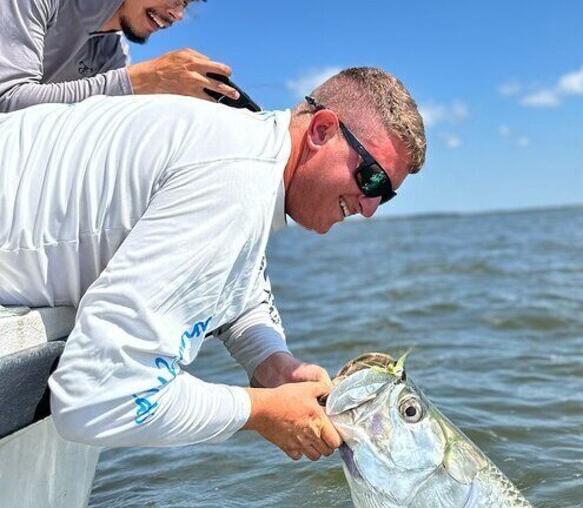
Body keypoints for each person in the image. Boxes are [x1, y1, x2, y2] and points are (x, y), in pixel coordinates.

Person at [0, 67, 427, 461]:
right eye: (371, 179)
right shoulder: (235, 180)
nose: (370, 208)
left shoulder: (249, 152)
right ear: (321, 130)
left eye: (385, 195)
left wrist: (274, 364)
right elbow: (96, 400)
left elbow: (239, 287)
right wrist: (260, 410)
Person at [0, 0, 241, 113]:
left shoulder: (111, 50)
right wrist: (138, 81)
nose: (177, 14)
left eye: (184, 3)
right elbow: (6, 100)